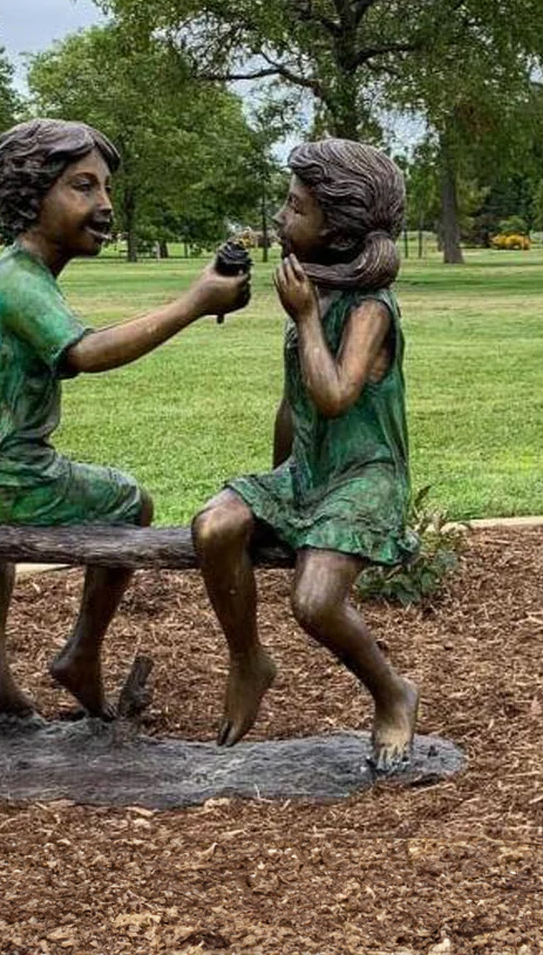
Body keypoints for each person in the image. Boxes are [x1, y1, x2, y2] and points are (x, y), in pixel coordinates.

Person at [0, 118, 250, 717]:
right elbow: (86, 352)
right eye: (83, 187)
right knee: (129, 502)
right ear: (31, 195)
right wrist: (195, 304)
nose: (105, 204)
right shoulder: (20, 284)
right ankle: (81, 652)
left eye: (106, 189)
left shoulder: (13, 276)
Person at [191, 138, 419, 773]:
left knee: (315, 603)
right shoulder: (311, 292)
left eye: (296, 209)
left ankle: (393, 695)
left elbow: (335, 395)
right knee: (215, 526)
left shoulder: (368, 307)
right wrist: (276, 488)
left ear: (339, 233)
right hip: (309, 474)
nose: (282, 220)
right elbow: (293, 404)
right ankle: (248, 661)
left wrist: (308, 320)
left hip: (364, 477)